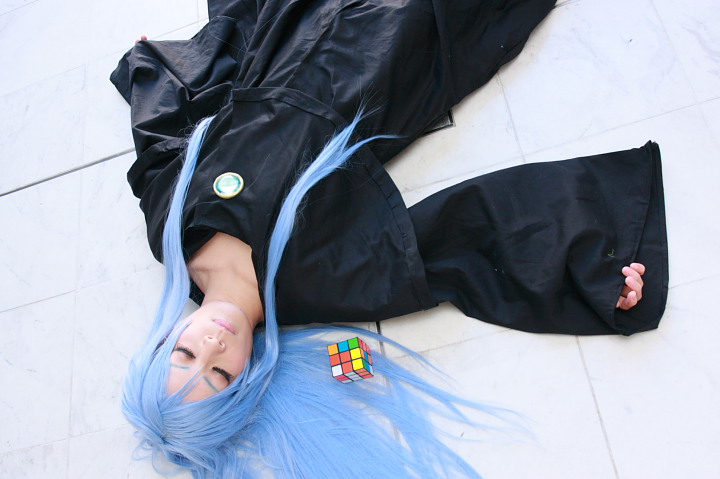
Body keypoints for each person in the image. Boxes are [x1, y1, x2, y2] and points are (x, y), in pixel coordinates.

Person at [111, 0, 668, 477]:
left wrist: (157, 73)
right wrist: (594, 267)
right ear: (247, 376)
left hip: (290, 27)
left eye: (185, 353)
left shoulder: (171, 234)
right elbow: (461, 243)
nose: (213, 344)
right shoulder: (313, 284)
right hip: (387, 53)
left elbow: (165, 143)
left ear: (163, 342)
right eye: (220, 373)